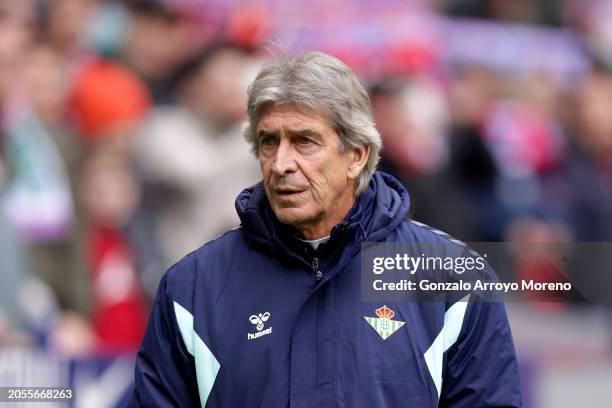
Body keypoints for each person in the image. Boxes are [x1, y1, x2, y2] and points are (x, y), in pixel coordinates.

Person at [130, 51, 522, 407]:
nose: (281, 163)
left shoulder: (452, 280)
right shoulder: (192, 287)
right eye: (269, 142)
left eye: (304, 141)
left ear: (356, 155)